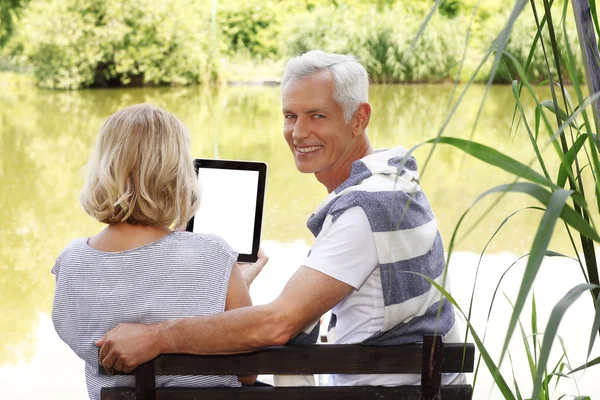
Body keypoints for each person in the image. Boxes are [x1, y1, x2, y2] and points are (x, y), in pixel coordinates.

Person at [96, 51, 463, 386]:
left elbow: (278, 324)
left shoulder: (363, 211)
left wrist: (155, 336)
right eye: (290, 116)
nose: (298, 133)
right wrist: (234, 285)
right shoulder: (395, 183)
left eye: (317, 115)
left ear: (359, 118)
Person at [51, 103, 257, 400]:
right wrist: (234, 281)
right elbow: (248, 371)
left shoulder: (71, 262)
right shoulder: (213, 255)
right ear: (180, 174)